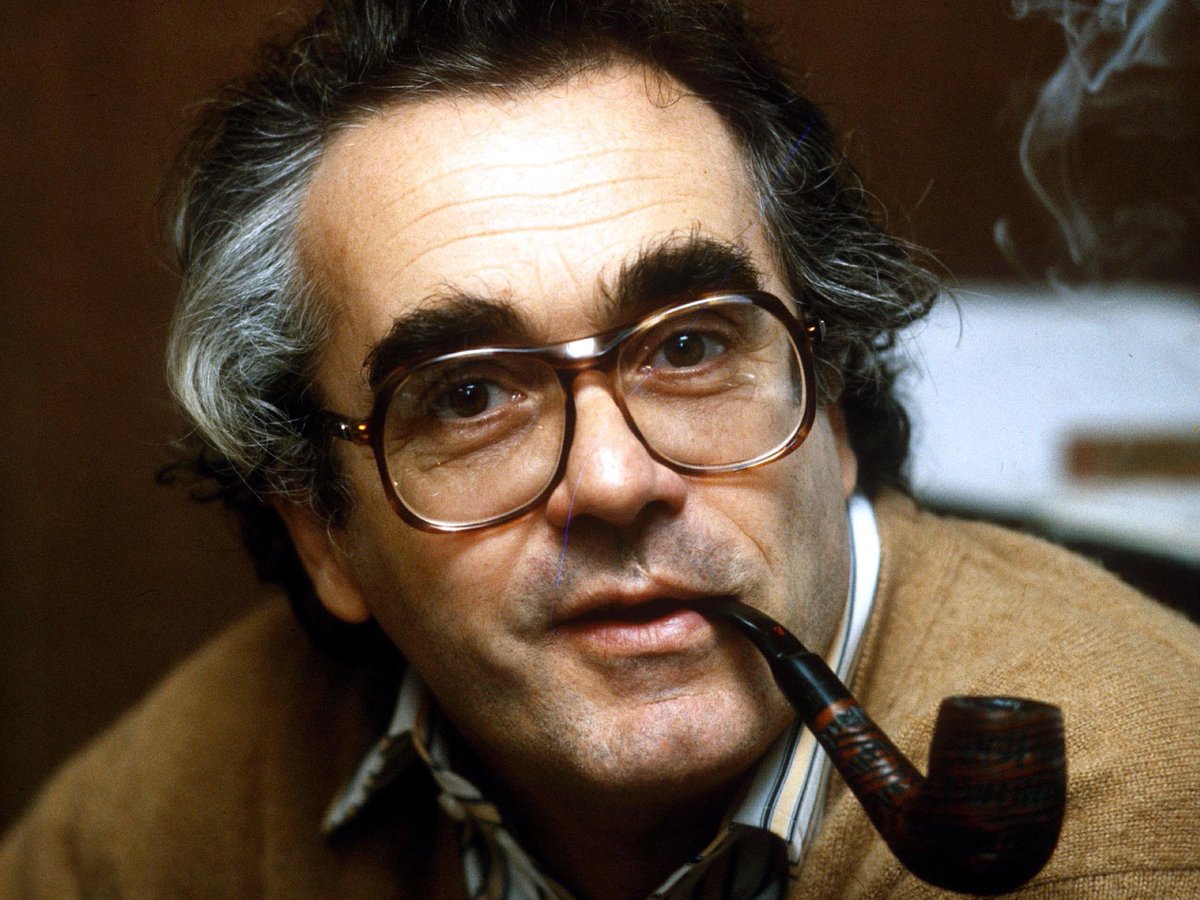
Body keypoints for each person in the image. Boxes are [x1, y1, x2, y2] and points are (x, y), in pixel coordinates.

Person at [2, 1, 1198, 897]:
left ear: (832, 408)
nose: (618, 482)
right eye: (469, 395)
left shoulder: (1138, 825)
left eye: (690, 348)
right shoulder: (173, 811)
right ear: (322, 532)